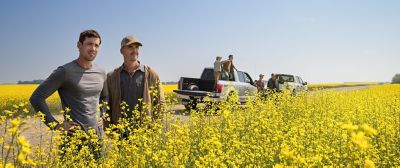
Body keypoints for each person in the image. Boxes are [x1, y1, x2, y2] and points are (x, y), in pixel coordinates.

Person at [30, 29, 107, 157]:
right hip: (73, 141)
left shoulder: (101, 72)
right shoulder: (65, 71)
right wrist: (55, 125)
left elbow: (105, 96)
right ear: (79, 45)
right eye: (89, 44)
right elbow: (36, 97)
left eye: (96, 45)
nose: (93, 48)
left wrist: (102, 114)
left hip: (97, 138)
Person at [104, 35, 165, 136]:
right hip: (119, 133)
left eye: (137, 47)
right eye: (130, 47)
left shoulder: (151, 74)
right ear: (121, 51)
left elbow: (161, 103)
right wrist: (109, 131)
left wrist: (155, 129)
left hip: (145, 134)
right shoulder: (112, 76)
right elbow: (106, 106)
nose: (134, 50)